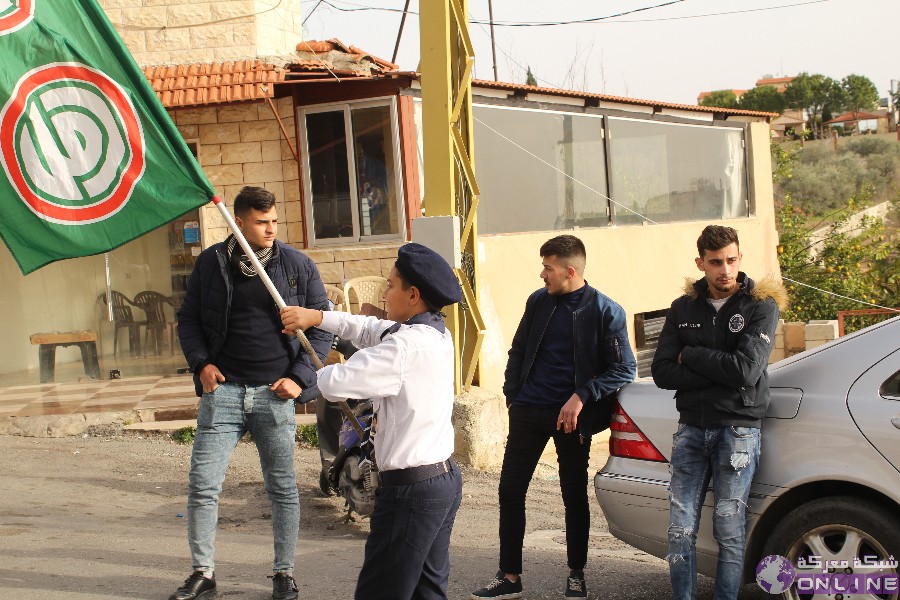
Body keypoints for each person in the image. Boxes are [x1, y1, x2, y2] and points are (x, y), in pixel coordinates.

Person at [171, 186, 332, 600]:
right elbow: (188, 319)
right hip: (222, 393)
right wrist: (201, 363)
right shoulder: (212, 264)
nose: (271, 229)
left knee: (282, 488)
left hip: (274, 394)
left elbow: (321, 324)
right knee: (203, 485)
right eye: (262, 222)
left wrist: (299, 379)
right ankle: (203, 573)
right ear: (239, 221)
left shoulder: (296, 266)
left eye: (275, 221)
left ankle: (284, 573)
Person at [280, 242, 464, 600]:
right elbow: (367, 328)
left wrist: (301, 379)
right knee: (427, 591)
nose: (384, 292)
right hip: (440, 480)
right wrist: (317, 317)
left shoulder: (402, 350)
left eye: (391, 285)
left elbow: (337, 382)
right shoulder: (434, 333)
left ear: (412, 295)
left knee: (380, 592)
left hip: (411, 492)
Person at [472, 234, 636, 599]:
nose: (542, 274)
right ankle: (509, 577)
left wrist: (582, 395)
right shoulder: (538, 302)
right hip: (529, 411)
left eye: (548, 268)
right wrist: (513, 397)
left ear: (570, 271)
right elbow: (518, 350)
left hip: (572, 420)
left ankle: (576, 573)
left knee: (573, 495)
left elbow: (625, 369)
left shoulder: (606, 311)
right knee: (510, 491)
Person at [651, 225, 786, 600]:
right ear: (701, 263)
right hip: (691, 428)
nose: (724, 270)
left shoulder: (761, 305)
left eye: (730, 260)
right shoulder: (682, 309)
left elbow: (746, 371)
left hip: (738, 431)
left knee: (729, 528)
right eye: (715, 263)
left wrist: (690, 355)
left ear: (739, 258)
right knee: (679, 528)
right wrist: (718, 371)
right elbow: (662, 372)